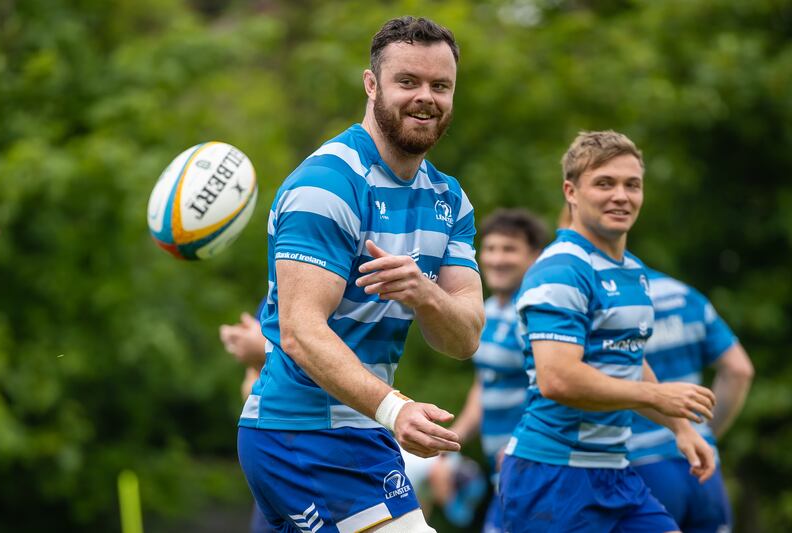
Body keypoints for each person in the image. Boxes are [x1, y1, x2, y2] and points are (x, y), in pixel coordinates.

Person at [237, 16, 484, 533]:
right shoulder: (328, 184)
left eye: (440, 86)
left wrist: (426, 295)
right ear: (371, 85)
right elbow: (302, 332)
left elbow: (464, 338)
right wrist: (395, 410)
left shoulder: (449, 199)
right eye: (408, 82)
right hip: (302, 432)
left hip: (358, 427)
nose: (426, 97)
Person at [500, 130, 717, 532]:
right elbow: (558, 379)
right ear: (571, 192)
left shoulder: (633, 271)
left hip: (615, 473)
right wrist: (658, 396)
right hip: (552, 476)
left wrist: (681, 429)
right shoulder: (561, 270)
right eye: (604, 183)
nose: (621, 196)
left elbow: (629, 360)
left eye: (631, 185)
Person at [445, 208, 548, 533]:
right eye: (490, 249)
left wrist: (523, 440)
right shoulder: (487, 312)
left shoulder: (536, 312)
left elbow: (554, 386)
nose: (496, 259)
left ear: (535, 256)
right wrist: (450, 442)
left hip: (536, 462)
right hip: (501, 467)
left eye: (509, 249)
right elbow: (484, 385)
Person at [628, 269, 754, 532]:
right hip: (703, 467)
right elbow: (739, 369)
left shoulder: (611, 300)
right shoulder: (685, 295)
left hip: (643, 466)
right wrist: (705, 434)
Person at [220, 304, 272, 533]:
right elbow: (249, 389)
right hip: (274, 470)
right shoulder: (276, 288)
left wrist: (264, 348)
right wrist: (256, 355)